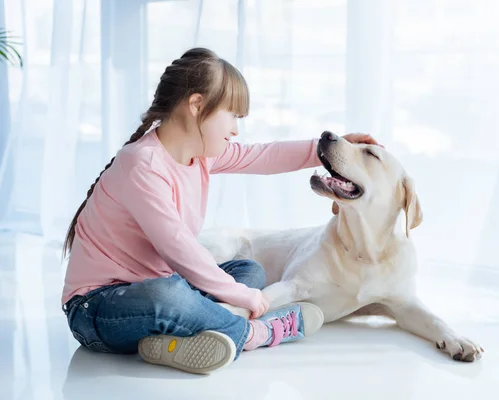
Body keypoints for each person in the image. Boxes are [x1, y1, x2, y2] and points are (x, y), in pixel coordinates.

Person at [61, 47, 379, 374]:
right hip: (96, 310)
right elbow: (180, 250)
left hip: (157, 291)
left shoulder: (201, 155)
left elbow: (263, 156)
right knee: (171, 294)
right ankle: (259, 332)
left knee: (248, 270)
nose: (236, 129)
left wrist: (323, 150)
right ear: (197, 105)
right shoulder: (142, 165)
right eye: (233, 115)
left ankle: (184, 338)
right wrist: (246, 300)